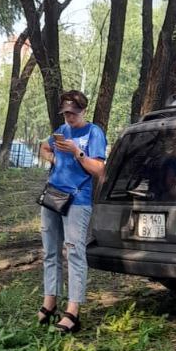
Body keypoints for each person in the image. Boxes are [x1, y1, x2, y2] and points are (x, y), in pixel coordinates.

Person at [38, 89, 107, 334]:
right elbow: (44, 147)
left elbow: (99, 169)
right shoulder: (61, 130)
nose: (69, 117)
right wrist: (54, 159)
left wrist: (76, 153)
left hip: (78, 200)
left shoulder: (93, 132)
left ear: (83, 110)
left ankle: (73, 311)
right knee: (50, 251)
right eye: (65, 112)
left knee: (74, 252)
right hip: (54, 196)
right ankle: (50, 302)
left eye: (73, 113)